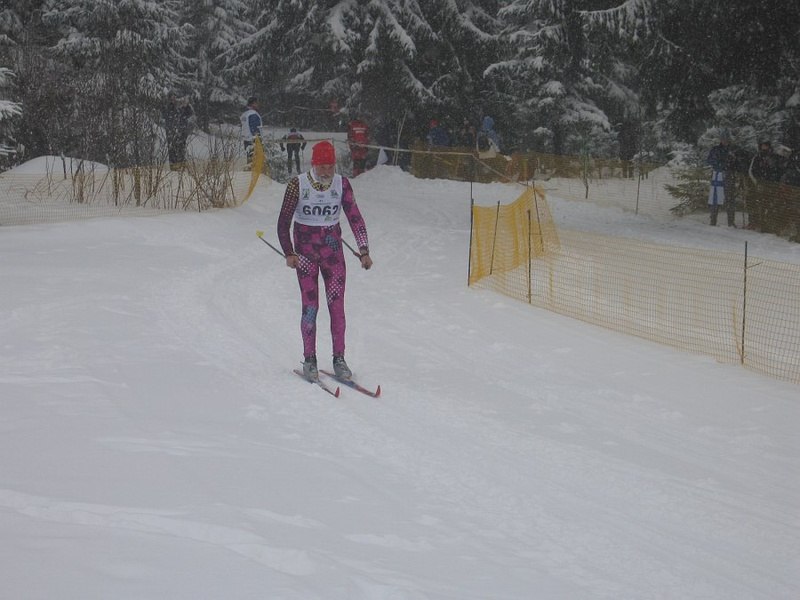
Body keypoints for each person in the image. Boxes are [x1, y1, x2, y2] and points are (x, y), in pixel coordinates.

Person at [277, 140, 373, 381]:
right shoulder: (297, 185)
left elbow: (356, 218)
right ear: (313, 164)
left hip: (333, 254)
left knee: (337, 307)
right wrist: (289, 252)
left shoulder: (342, 184)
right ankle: (310, 359)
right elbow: (283, 223)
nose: (327, 171)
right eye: (322, 166)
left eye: (330, 166)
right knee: (311, 307)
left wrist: (363, 250)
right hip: (305, 255)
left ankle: (339, 359)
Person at [748, 140, 782, 231]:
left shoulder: (775, 157)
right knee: (760, 204)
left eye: (766, 145)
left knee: (770, 205)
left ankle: (769, 224)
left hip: (772, 185)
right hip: (761, 184)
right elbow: (752, 171)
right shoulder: (757, 157)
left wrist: (775, 181)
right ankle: (760, 223)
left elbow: (778, 170)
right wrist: (757, 182)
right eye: (763, 145)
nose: (764, 147)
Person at [706, 129, 736, 227]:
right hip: (717, 175)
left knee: (730, 198)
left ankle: (731, 222)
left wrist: (731, 164)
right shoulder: (716, 149)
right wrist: (721, 164)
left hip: (729, 175)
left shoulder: (732, 150)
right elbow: (710, 160)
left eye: (726, 139)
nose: (725, 141)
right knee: (715, 198)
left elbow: (736, 163)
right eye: (723, 139)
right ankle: (713, 220)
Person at [162, 93, 194, 170]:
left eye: (176, 98)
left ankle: (181, 167)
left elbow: (190, 113)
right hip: (171, 132)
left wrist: (186, 105)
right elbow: (164, 115)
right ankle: (173, 168)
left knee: (181, 149)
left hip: (182, 131)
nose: (175, 100)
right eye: (173, 98)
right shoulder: (169, 107)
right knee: (172, 150)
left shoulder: (183, 108)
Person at [240, 97, 262, 169]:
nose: (258, 104)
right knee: (255, 162)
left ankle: (249, 171)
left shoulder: (245, 114)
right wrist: (258, 139)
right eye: (257, 103)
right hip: (253, 140)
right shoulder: (253, 114)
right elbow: (254, 128)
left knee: (250, 160)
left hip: (246, 139)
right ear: (253, 104)